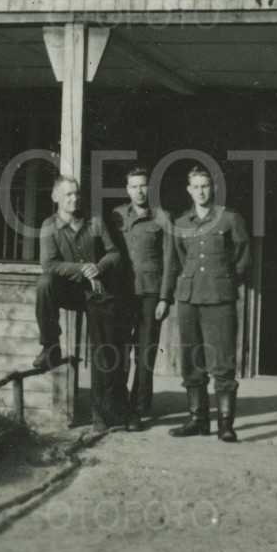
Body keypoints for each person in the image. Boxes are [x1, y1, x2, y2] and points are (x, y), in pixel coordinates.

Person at [33, 175, 125, 432]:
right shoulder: (49, 226)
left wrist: (99, 267)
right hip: (68, 291)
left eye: (76, 193)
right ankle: (50, 346)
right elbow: (49, 264)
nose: (73, 199)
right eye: (68, 194)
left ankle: (101, 414)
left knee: (103, 350)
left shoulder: (94, 222)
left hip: (96, 292)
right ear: (55, 197)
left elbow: (114, 253)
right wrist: (83, 269)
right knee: (44, 283)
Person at [167, 166, 251, 442]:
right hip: (189, 299)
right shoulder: (181, 223)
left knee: (223, 362)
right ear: (189, 190)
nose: (201, 191)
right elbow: (180, 259)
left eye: (205, 186)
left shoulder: (229, 219)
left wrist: (225, 282)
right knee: (192, 361)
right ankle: (198, 420)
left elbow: (243, 258)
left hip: (219, 299)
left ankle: (225, 424)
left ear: (212, 188)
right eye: (196, 187)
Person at [109, 165, 175, 430]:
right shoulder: (116, 216)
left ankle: (139, 408)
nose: (139, 191)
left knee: (145, 352)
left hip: (150, 292)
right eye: (134, 186)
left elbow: (170, 260)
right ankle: (121, 405)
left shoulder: (162, 217)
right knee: (121, 350)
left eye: (143, 185)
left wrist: (165, 298)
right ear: (127, 190)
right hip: (124, 292)